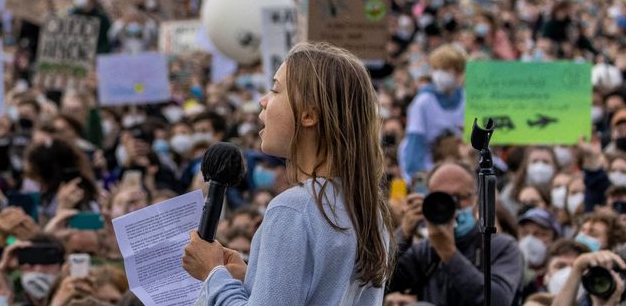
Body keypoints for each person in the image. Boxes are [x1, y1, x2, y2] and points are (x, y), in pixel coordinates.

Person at [181, 42, 395, 304]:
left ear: (308, 115)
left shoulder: (295, 209)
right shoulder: (367, 207)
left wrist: (212, 274)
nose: (263, 100)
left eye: (275, 90)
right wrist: (252, 277)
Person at [388, 163, 524, 305]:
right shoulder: (425, 250)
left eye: (460, 197)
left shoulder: (501, 247)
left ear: (476, 200)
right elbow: (381, 286)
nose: (452, 205)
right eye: (442, 197)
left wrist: (449, 254)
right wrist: (403, 234)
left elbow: (498, 301)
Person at [398, 45, 467, 183]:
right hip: (429, 169)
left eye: (445, 69)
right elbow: (415, 143)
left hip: (458, 169)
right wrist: (418, 180)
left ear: (459, 72)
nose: (439, 74)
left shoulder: (466, 100)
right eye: (436, 69)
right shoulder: (423, 102)